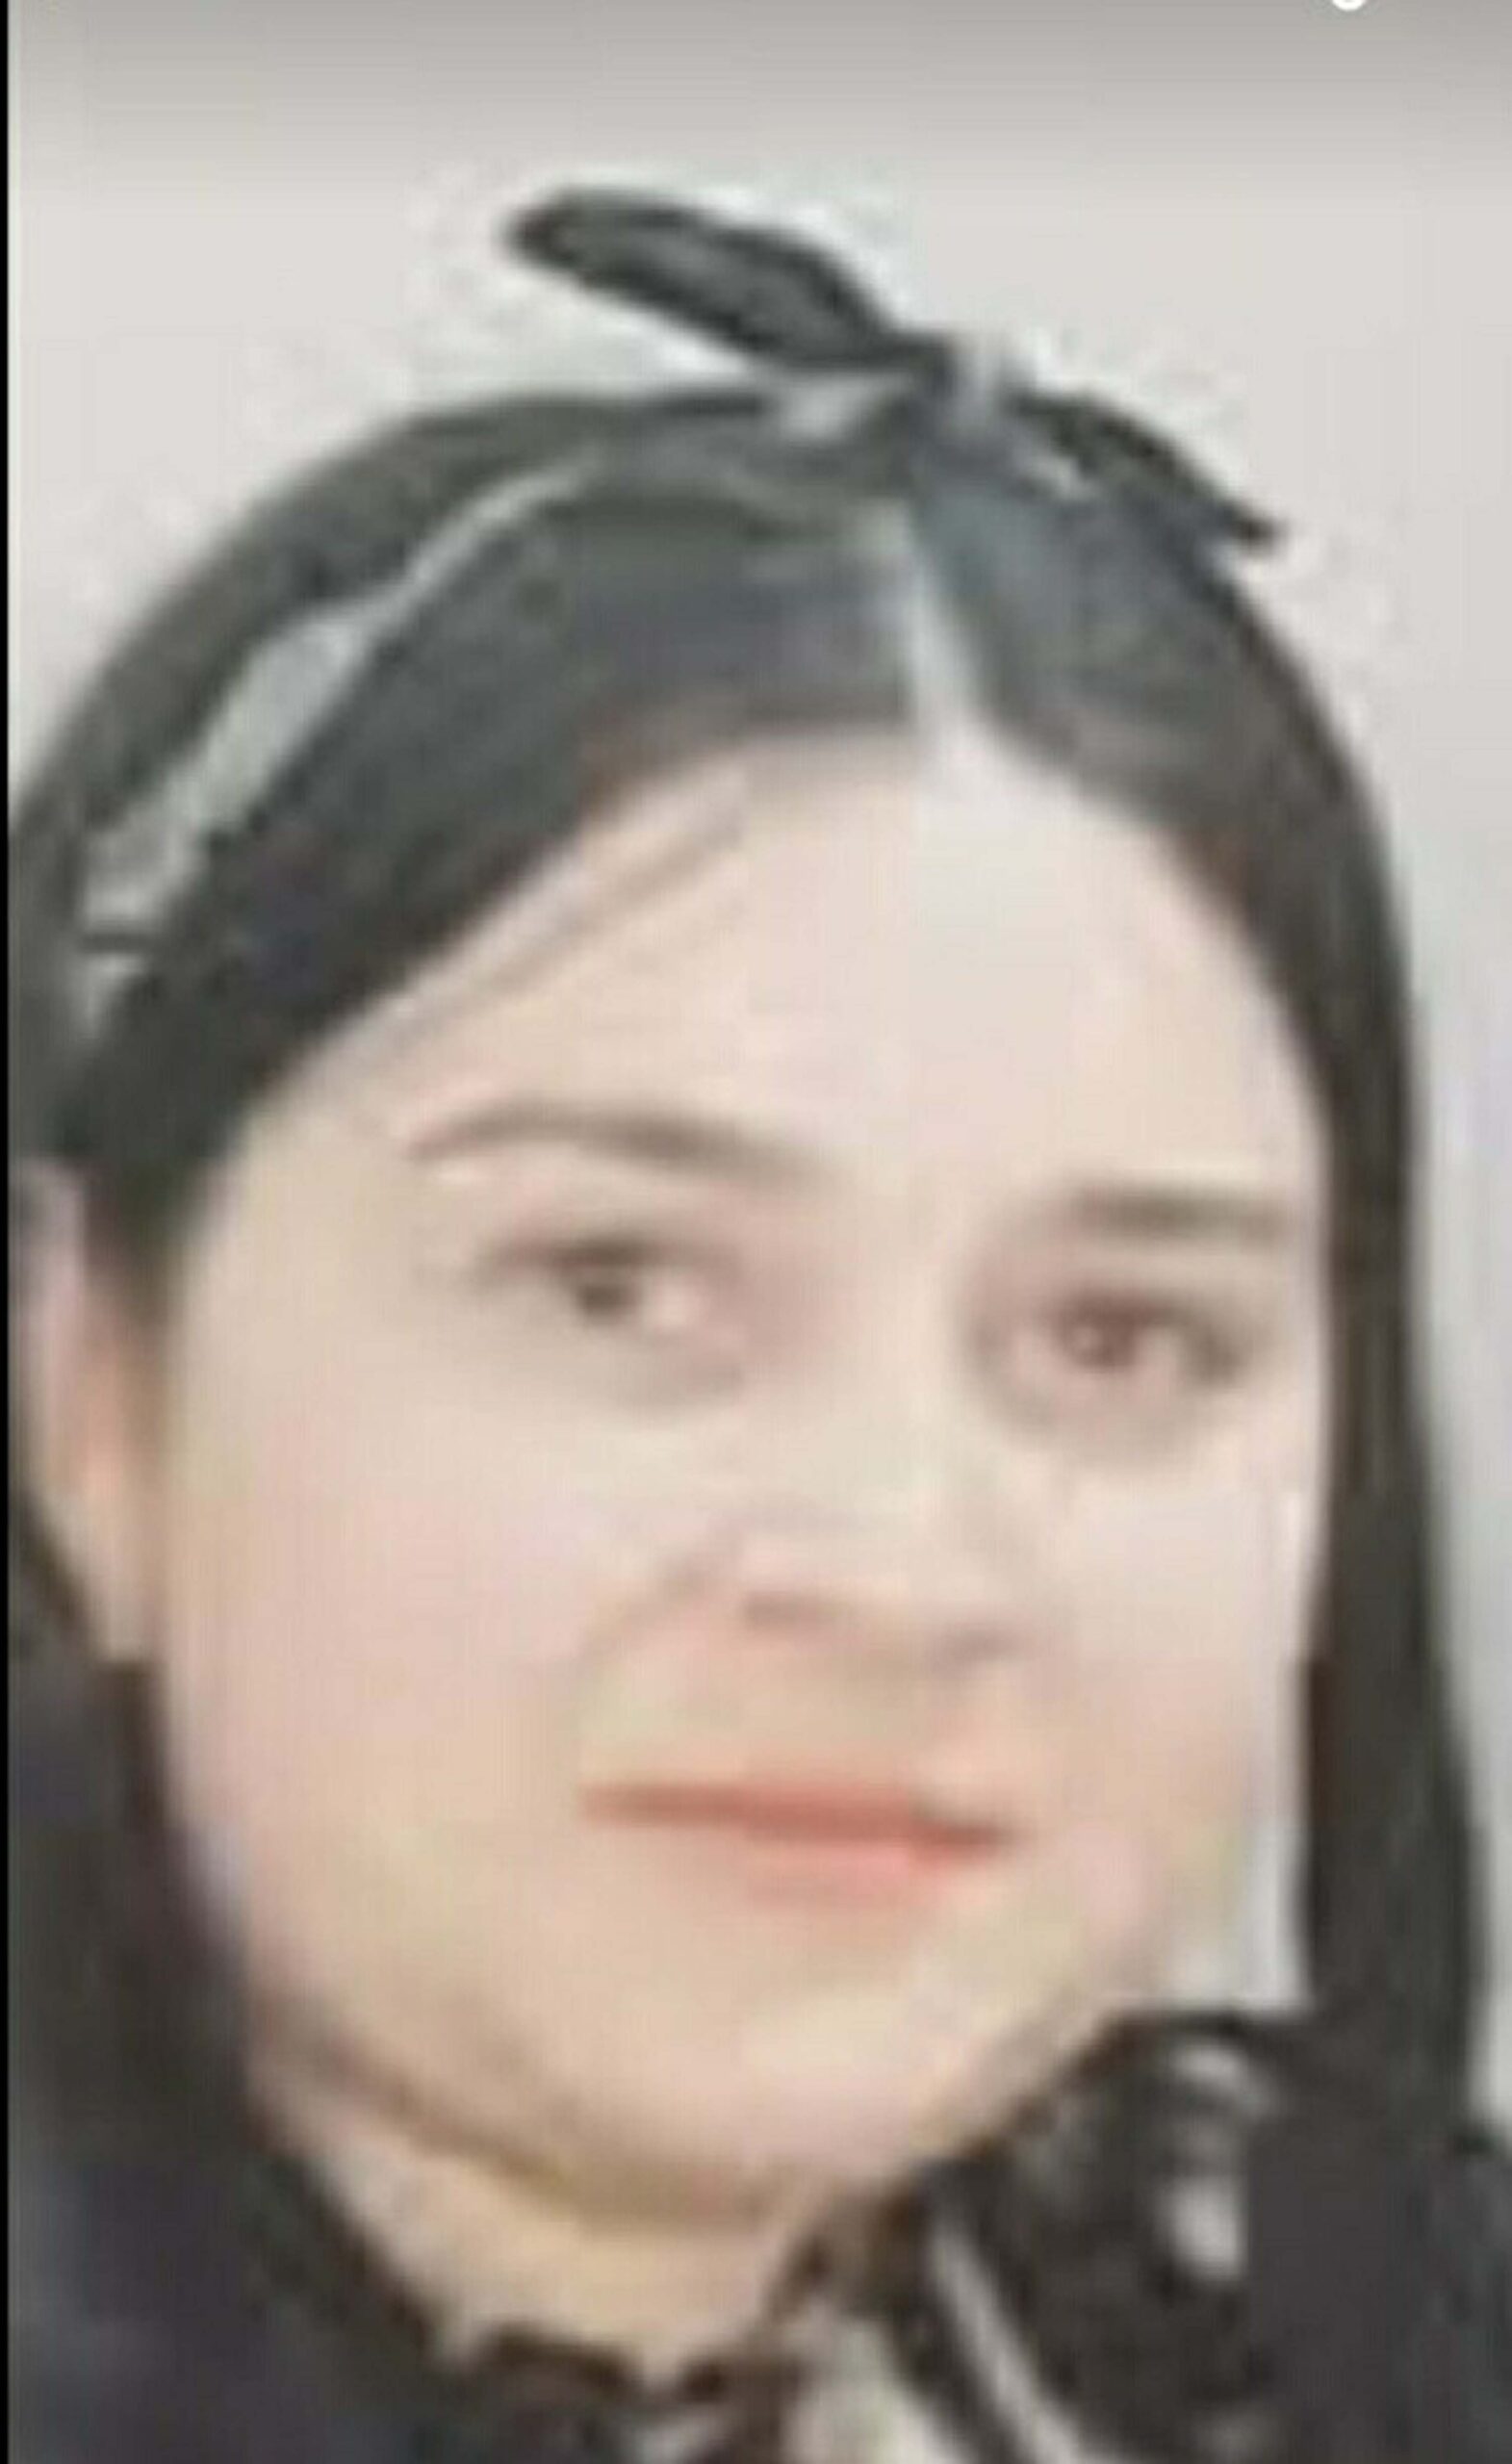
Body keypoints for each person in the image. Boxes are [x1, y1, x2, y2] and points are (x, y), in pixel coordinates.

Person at [9, 190, 1510, 2464]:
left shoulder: (1293, 2325)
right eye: (616, 1284)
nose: (901, 1570)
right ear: (93, 1398)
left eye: (1121, 1336)